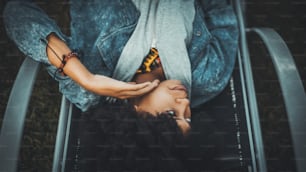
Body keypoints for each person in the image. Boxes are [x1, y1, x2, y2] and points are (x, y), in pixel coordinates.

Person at [3, 0, 238, 169]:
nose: (185, 104)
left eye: (171, 114)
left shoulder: (93, 85)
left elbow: (16, 12)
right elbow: (221, 11)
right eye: (187, 118)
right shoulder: (210, 76)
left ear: (135, 118)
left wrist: (85, 77)